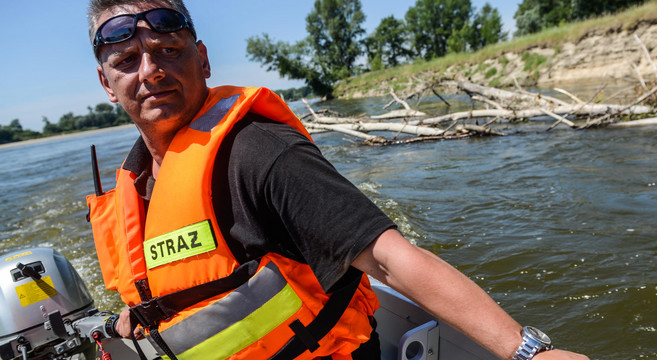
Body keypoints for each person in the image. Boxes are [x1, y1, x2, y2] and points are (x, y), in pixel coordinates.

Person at [85, 1, 589, 359]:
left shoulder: (260, 153)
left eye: (168, 51)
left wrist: (527, 351)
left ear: (204, 59)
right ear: (107, 85)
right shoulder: (138, 182)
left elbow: (391, 259)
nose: (150, 70)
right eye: (128, 61)